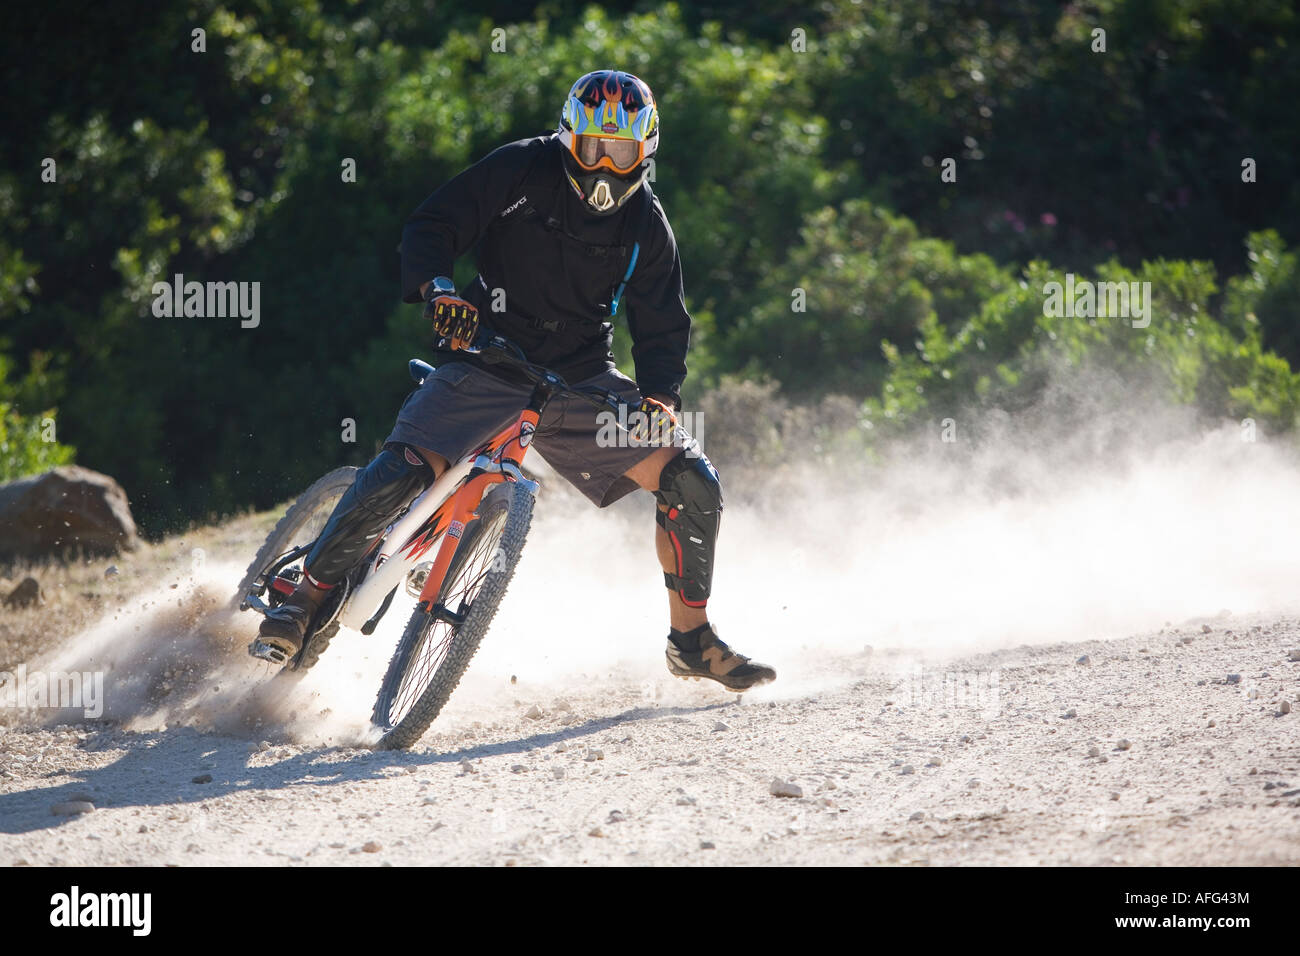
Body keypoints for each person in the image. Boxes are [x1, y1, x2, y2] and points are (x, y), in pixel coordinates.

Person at [255, 70, 775, 691]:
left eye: (622, 152)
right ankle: (305, 599)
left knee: (691, 480)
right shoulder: (520, 170)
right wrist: (440, 290)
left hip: (579, 383)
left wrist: (660, 396)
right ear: (567, 138)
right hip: (485, 356)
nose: (606, 167)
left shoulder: (646, 223)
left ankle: (691, 641)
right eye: (592, 148)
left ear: (646, 152)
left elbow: (663, 320)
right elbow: (432, 226)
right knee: (405, 468)